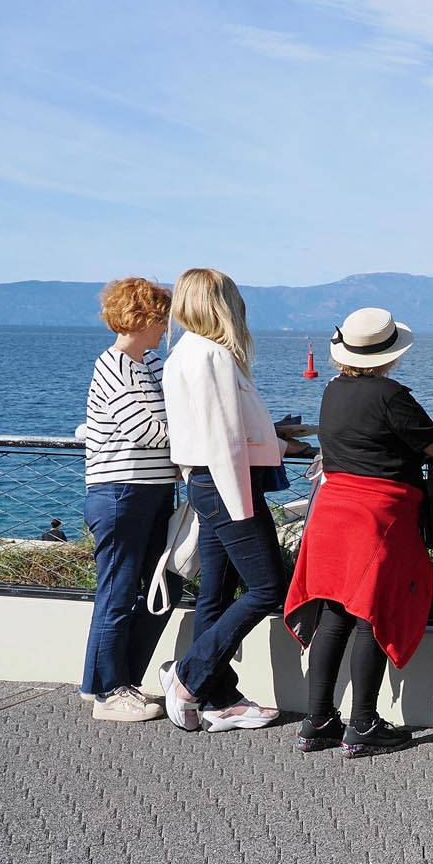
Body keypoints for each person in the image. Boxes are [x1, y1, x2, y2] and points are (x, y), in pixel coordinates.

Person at [284, 307, 433, 757]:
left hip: (330, 511)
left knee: (335, 613)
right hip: (376, 516)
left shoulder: (330, 391)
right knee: (372, 613)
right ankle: (363, 724)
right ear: (389, 354)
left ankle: (317, 721)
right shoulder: (390, 396)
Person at [158, 268, 302, 733]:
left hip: (206, 482)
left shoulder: (182, 353)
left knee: (215, 594)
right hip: (226, 484)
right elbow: (223, 439)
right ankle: (190, 677)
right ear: (222, 304)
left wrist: (275, 439)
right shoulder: (214, 356)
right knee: (267, 589)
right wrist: (241, 501)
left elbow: (209, 431)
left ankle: (219, 698)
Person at [78, 277, 177, 722]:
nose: (165, 327)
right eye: (160, 318)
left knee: (163, 585)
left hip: (150, 492)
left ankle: (108, 681)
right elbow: (149, 431)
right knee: (118, 591)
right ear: (143, 317)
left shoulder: (151, 362)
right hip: (120, 492)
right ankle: (109, 690)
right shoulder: (114, 366)